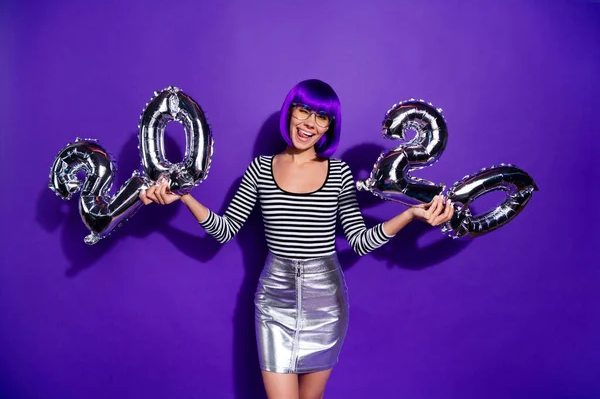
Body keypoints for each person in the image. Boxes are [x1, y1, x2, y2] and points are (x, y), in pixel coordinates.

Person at [140, 79, 454, 399]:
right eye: (303, 111)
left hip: (326, 300)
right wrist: (184, 197)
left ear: (330, 126)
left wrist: (411, 214)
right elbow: (224, 230)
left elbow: (359, 241)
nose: (309, 124)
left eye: (321, 117)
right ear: (290, 112)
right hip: (274, 299)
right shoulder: (261, 169)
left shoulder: (339, 173)